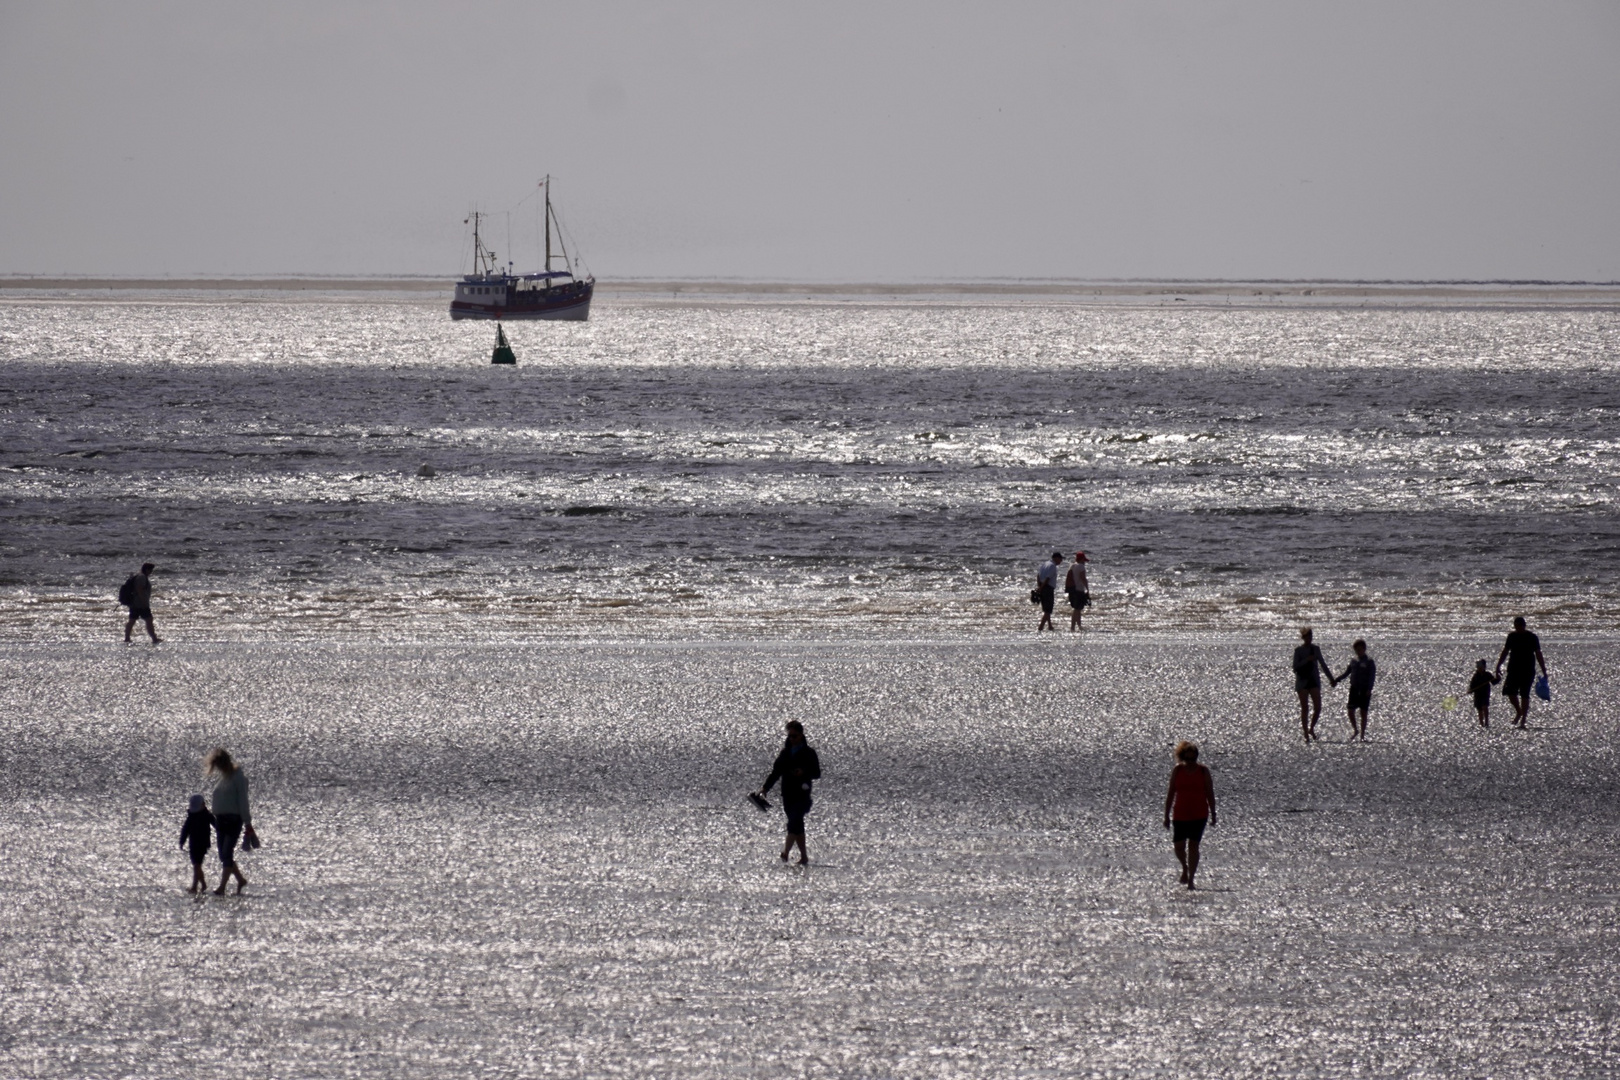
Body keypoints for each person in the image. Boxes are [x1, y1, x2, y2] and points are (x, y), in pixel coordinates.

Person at [756, 721, 821, 865]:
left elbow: (817, 773)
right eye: (790, 736)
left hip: (803, 795)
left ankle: (785, 853)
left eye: (795, 736)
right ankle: (804, 857)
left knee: (794, 822)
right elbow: (776, 773)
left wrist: (804, 771)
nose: (792, 739)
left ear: (801, 735)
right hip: (787, 794)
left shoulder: (809, 753)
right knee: (797, 825)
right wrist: (765, 789)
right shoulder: (785, 753)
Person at [1162, 741, 1216, 890]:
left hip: (1199, 813)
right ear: (1182, 758)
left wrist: (1213, 813)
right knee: (1179, 846)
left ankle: (1191, 879)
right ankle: (1185, 868)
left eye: (1194, 759)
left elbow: (1210, 793)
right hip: (1180, 813)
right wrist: (1166, 815)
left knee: (1194, 845)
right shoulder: (1178, 770)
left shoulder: (1203, 771)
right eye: (1188, 759)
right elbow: (1171, 792)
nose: (1191, 762)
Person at [207, 748, 256, 895]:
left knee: (227, 853)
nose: (219, 769)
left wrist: (247, 822)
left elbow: (243, 801)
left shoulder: (238, 778)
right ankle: (240, 880)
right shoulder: (224, 778)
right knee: (223, 855)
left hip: (233, 820)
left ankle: (222, 887)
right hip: (221, 821)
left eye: (220, 766)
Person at [1495, 616, 1547, 729]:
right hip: (1513, 669)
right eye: (1516, 626)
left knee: (1525, 694)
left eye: (1520, 626)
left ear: (1524, 626)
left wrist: (1544, 670)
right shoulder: (1512, 636)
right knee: (1510, 693)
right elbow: (1505, 651)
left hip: (1528, 670)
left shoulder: (1532, 637)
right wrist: (1498, 665)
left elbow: (1538, 654)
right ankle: (1519, 712)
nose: (1518, 628)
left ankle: (1523, 720)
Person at [1292, 627, 1334, 742]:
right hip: (1302, 681)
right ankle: (1305, 733)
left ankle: (1311, 728)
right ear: (1303, 638)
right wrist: (1307, 660)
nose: (1309, 639)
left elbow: (1323, 664)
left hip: (1313, 680)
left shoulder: (1316, 649)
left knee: (1318, 707)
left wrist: (1331, 679)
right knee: (1305, 708)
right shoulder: (1298, 651)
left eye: (1311, 636)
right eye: (1307, 636)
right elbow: (1295, 667)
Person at [1333, 639, 1377, 741]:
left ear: (1364, 649)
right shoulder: (1353, 661)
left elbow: (1372, 676)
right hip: (1354, 688)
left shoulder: (1369, 662)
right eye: (1356, 650)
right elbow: (1347, 673)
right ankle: (1355, 730)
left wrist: (1369, 689)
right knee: (1350, 710)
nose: (1358, 652)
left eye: (1360, 650)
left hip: (1365, 689)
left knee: (1363, 712)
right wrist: (1337, 679)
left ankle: (1362, 735)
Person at [178, 794, 215, 894]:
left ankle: (194, 886)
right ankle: (203, 884)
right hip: (193, 843)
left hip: (202, 843)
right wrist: (182, 840)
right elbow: (185, 830)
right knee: (197, 865)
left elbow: (216, 825)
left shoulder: (207, 815)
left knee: (196, 865)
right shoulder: (191, 817)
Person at [121, 562, 161, 645]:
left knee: (132, 620)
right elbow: (140, 589)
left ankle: (127, 638)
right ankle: (154, 638)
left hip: (134, 603)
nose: (151, 572)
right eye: (150, 570)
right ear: (147, 569)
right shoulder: (142, 577)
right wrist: (144, 602)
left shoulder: (139, 576)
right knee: (149, 620)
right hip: (140, 604)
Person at [1035, 552, 1063, 632]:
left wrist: (1039, 586)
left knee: (1046, 608)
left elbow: (1038, 575)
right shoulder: (1053, 566)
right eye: (1060, 560)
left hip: (1042, 586)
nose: (1060, 562)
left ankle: (1050, 626)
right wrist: (1041, 588)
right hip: (1048, 588)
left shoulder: (1045, 564)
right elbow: (1048, 579)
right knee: (1048, 610)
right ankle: (1041, 627)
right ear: (1057, 558)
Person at [1468, 659, 1499, 729]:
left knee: (1485, 707)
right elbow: (1472, 686)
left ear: (1484, 667)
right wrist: (1470, 690)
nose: (1479, 669)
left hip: (1485, 694)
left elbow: (1493, 682)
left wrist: (1498, 679)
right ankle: (1481, 723)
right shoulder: (1475, 676)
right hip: (1478, 695)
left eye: (1481, 667)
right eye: (1478, 668)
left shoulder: (1487, 675)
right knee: (1479, 710)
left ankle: (1486, 722)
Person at [1065, 551, 1091, 631]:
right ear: (1082, 559)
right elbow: (1083, 578)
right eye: (1084, 560)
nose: (1085, 562)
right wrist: (1087, 589)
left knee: (1078, 609)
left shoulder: (1072, 566)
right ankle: (1072, 627)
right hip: (1079, 590)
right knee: (1077, 609)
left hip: (1072, 590)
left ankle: (1079, 626)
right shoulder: (1081, 567)